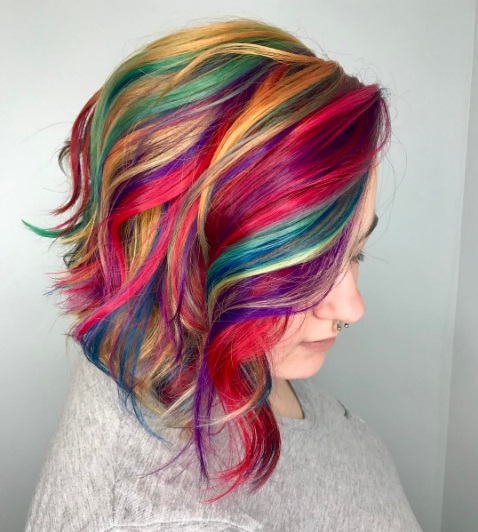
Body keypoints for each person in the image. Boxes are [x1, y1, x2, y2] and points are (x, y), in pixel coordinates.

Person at [24, 18, 423, 531]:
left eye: (356, 253)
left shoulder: (203, 354)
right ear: (180, 260)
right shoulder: (172, 517)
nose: (352, 308)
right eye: (302, 269)